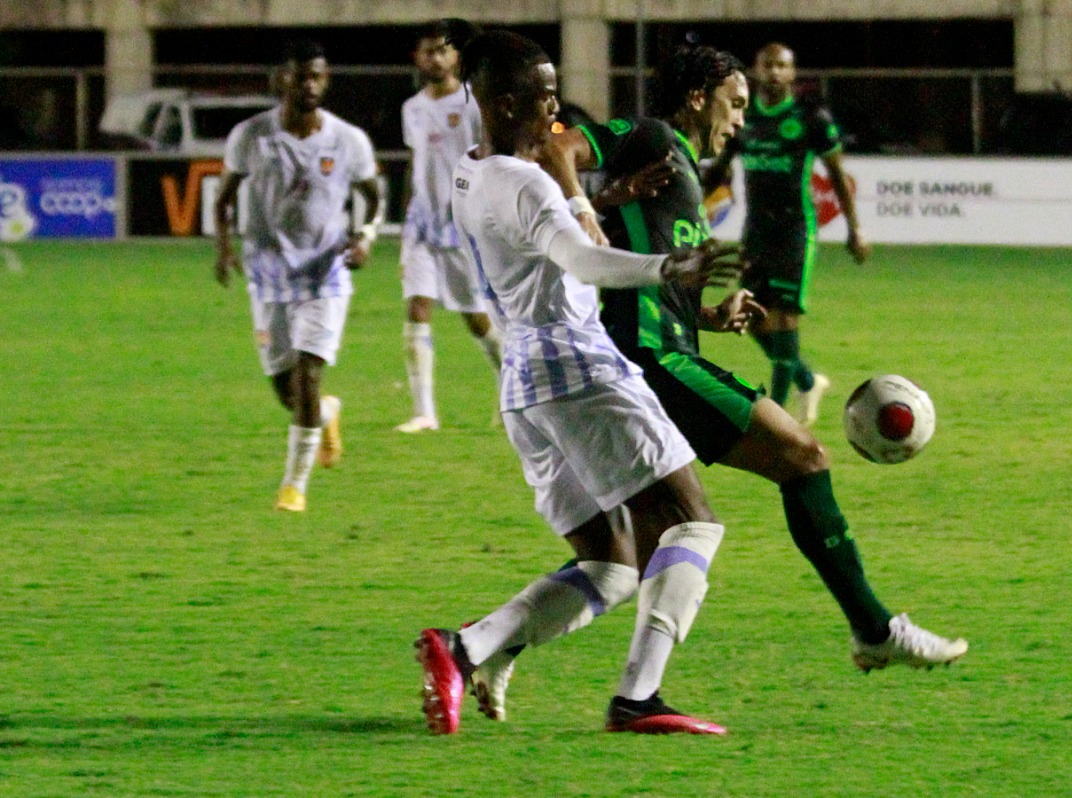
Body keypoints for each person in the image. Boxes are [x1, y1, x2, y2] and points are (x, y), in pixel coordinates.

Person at [479, 43, 965, 724]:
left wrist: (706, 310)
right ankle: (874, 630)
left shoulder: (673, 168)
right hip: (651, 362)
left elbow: (640, 275)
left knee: (628, 557)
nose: (739, 121)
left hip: (647, 348)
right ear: (701, 95)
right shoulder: (649, 137)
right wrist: (590, 209)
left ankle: (501, 651)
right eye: (734, 104)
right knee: (802, 457)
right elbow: (556, 144)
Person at [414, 30, 744, 736]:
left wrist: (603, 196)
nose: (557, 112)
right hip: (578, 368)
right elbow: (584, 264)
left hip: (525, 382)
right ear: (504, 104)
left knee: (613, 566)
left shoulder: (469, 172)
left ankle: (465, 647)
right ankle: (638, 699)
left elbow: (549, 247)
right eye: (545, 98)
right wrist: (670, 270)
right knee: (692, 522)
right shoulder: (525, 180)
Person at [214, 41, 382, 512]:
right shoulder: (251, 135)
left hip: (325, 272)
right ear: (280, 81)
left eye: (317, 76)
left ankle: (294, 486)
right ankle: (326, 413)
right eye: (300, 76)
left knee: (308, 374)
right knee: (286, 390)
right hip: (267, 273)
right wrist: (223, 247)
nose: (309, 84)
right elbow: (225, 197)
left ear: (325, 81)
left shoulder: (348, 140)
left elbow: (374, 195)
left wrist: (365, 235)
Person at [707, 42, 869, 426]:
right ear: (756, 71)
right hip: (756, 231)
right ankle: (808, 380)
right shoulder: (742, 118)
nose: (775, 73)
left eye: (783, 66)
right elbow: (719, 171)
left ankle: (776, 415)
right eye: (769, 65)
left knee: (783, 320)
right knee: (748, 317)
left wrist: (855, 228)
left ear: (793, 74)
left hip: (794, 230)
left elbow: (838, 177)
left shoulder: (810, 117)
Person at [396, 20, 503, 433]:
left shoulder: (474, 103)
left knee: (475, 317)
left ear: (457, 56)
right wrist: (407, 219)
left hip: (465, 224)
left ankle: (508, 388)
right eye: (429, 51)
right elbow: (416, 166)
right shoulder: (413, 108)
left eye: (444, 50)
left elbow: (490, 158)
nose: (436, 58)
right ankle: (424, 412)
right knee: (417, 306)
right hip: (423, 224)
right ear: (418, 58)